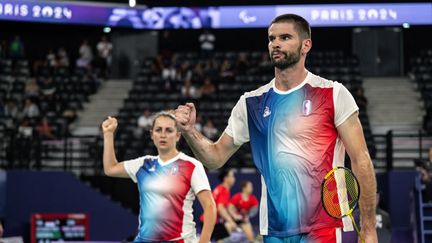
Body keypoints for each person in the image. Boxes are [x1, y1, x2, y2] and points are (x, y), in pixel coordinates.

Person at [176, 13, 378, 242]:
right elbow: (214, 158)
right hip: (274, 230)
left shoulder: (332, 94)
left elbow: (361, 161)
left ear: (306, 45)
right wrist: (189, 131)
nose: (276, 44)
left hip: (325, 227)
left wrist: (369, 228)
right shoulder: (251, 103)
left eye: (285, 37)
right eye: (272, 38)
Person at [101, 111, 216, 242]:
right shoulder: (143, 164)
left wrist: (204, 241)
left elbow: (209, 206)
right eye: (158, 130)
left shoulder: (192, 166)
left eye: (169, 130)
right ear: (152, 135)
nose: (163, 135)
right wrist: (109, 134)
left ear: (178, 135)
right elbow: (110, 168)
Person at [203, 168, 238, 243]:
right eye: (232, 176)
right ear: (226, 178)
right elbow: (220, 208)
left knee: (222, 239)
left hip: (208, 220)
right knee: (224, 239)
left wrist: (234, 215)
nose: (234, 178)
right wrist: (230, 221)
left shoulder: (220, 188)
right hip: (211, 222)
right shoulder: (224, 190)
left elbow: (226, 207)